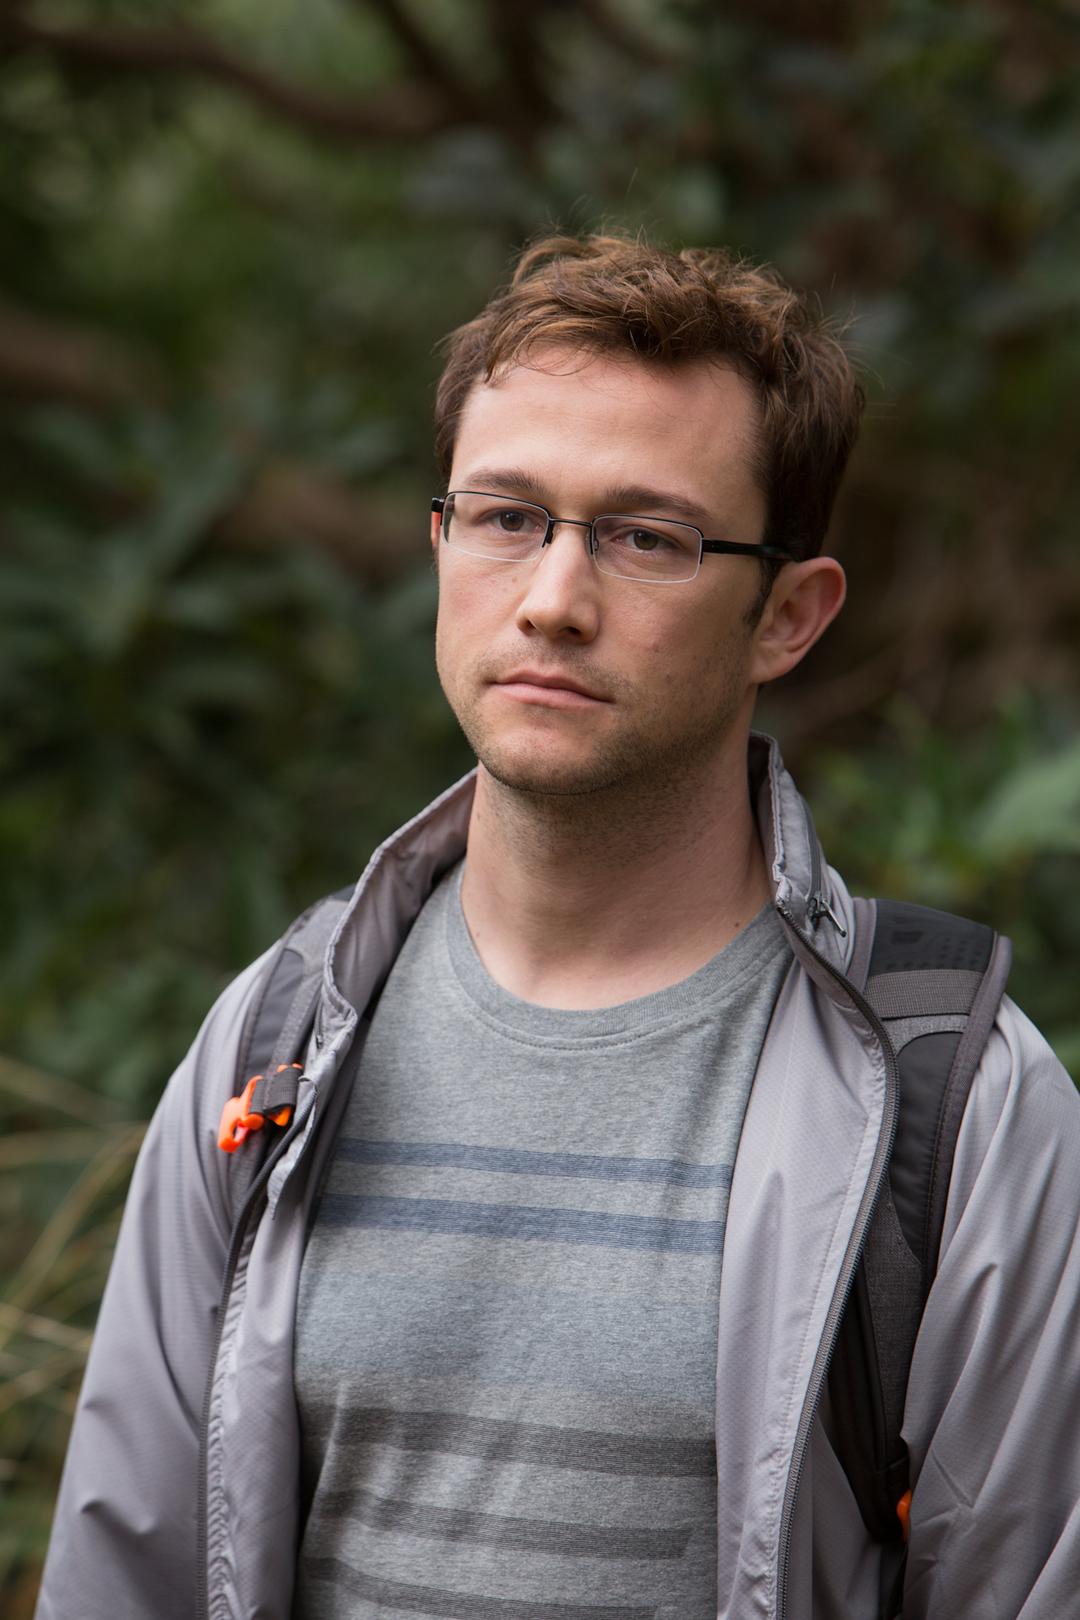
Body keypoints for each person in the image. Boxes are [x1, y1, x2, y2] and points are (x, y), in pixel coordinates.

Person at [36, 235, 1080, 1620]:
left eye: (649, 538)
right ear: (441, 546)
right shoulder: (276, 1044)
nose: (552, 601)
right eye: (507, 516)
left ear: (787, 615)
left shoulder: (954, 1100)